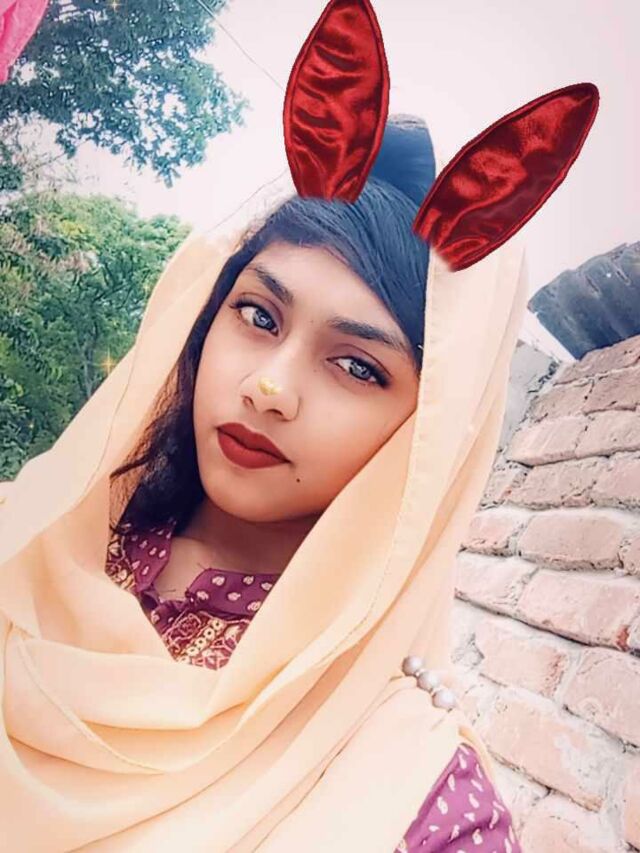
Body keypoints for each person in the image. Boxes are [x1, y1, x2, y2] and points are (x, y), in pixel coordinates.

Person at [0, 1, 598, 850]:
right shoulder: (31, 548)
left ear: (425, 437)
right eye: (258, 315)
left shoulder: (421, 801)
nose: (271, 387)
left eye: (358, 366)